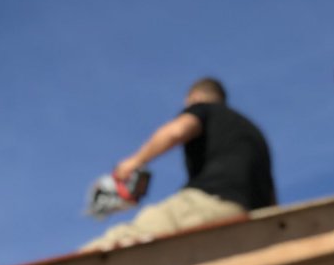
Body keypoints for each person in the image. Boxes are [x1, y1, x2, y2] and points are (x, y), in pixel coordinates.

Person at [82, 77, 276, 251]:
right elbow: (271, 195)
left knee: (119, 242)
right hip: (248, 221)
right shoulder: (255, 134)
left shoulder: (204, 108)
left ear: (195, 97)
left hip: (206, 205)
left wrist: (134, 161)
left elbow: (177, 131)